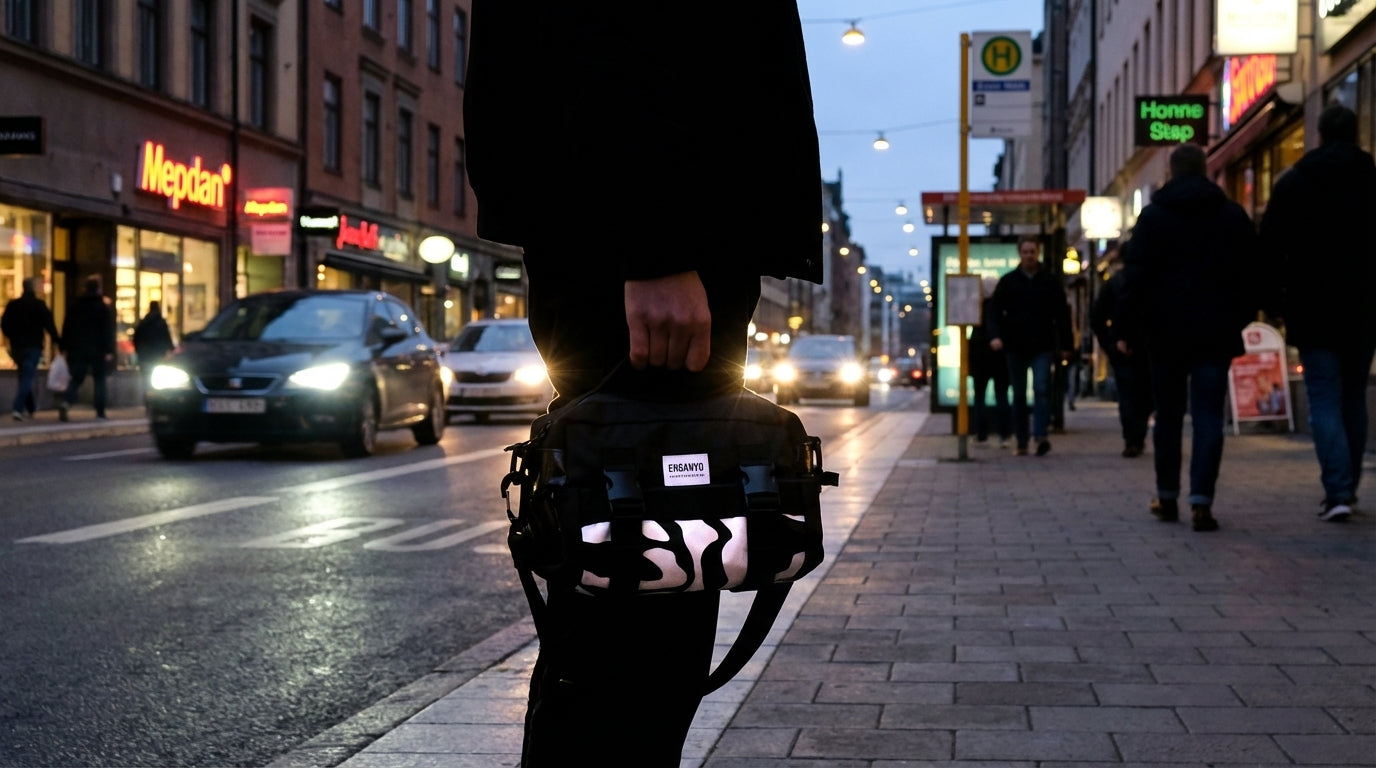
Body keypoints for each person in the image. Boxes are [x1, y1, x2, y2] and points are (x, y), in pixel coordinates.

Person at [463, 4, 824, 765]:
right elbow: (605, 36)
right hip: (646, 246)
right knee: (631, 629)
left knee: (646, 607)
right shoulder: (650, 243)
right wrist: (653, 245)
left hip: (654, 236)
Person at [1117, 143, 1261, 532]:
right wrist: (1238, 319)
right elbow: (1252, 274)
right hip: (1215, 333)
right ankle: (1201, 502)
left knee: (1167, 416)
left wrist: (1135, 327)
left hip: (1165, 335)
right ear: (1206, 171)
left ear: (1171, 173)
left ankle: (1167, 496)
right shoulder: (1231, 216)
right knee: (1208, 416)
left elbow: (1135, 279)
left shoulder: (1153, 218)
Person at [1259, 103, 1376, 523]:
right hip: (1363, 309)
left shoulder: (1296, 183)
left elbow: (1270, 247)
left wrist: (1274, 303)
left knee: (1324, 396)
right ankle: (1349, 489)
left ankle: (1338, 490)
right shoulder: (1370, 178)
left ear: (1321, 135)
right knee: (1352, 396)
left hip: (1312, 309)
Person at [986, 234, 1075, 456]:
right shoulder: (1008, 282)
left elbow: (1062, 314)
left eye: (1032, 252)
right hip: (1015, 346)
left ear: (1038, 253)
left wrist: (1066, 343)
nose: (1029, 256)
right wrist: (995, 336)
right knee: (1018, 394)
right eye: (1025, 252)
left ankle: (1040, 435)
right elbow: (994, 312)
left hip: (1042, 344)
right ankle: (1023, 440)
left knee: (1041, 389)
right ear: (1020, 253)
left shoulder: (1049, 281)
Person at [1091, 250, 1153, 458]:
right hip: (1139, 348)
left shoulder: (1118, 282)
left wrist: (1108, 343)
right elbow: (1099, 316)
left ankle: (1133, 438)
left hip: (1131, 348)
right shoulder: (1141, 282)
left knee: (1132, 395)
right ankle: (1135, 437)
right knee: (1139, 395)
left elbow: (1098, 316)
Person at [58, 276, 117, 422]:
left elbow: (67, 327)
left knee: (77, 378)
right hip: (98, 349)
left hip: (78, 348)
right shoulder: (102, 307)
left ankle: (66, 401)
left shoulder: (76, 306)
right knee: (100, 380)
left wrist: (64, 346)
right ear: (98, 289)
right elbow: (107, 330)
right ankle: (100, 412)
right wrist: (109, 349)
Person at [1, 278, 61, 420]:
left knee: (24, 375)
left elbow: (4, 324)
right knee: (27, 376)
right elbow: (49, 325)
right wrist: (57, 341)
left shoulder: (13, 305)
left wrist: (11, 337)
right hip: (33, 345)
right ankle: (17, 408)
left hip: (17, 346)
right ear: (33, 288)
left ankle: (31, 406)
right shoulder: (39, 305)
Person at [969, 275, 1011, 446]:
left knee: (979, 396)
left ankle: (981, 435)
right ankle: (1004, 435)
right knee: (1002, 395)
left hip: (980, 356)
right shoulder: (1004, 309)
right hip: (1000, 356)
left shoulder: (976, 309)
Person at [133, 300, 175, 387]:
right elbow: (166, 337)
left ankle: (147, 392)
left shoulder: (144, 322)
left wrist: (138, 350)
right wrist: (170, 349)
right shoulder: (161, 322)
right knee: (157, 375)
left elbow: (136, 338)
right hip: (158, 353)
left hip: (145, 353)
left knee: (146, 376)